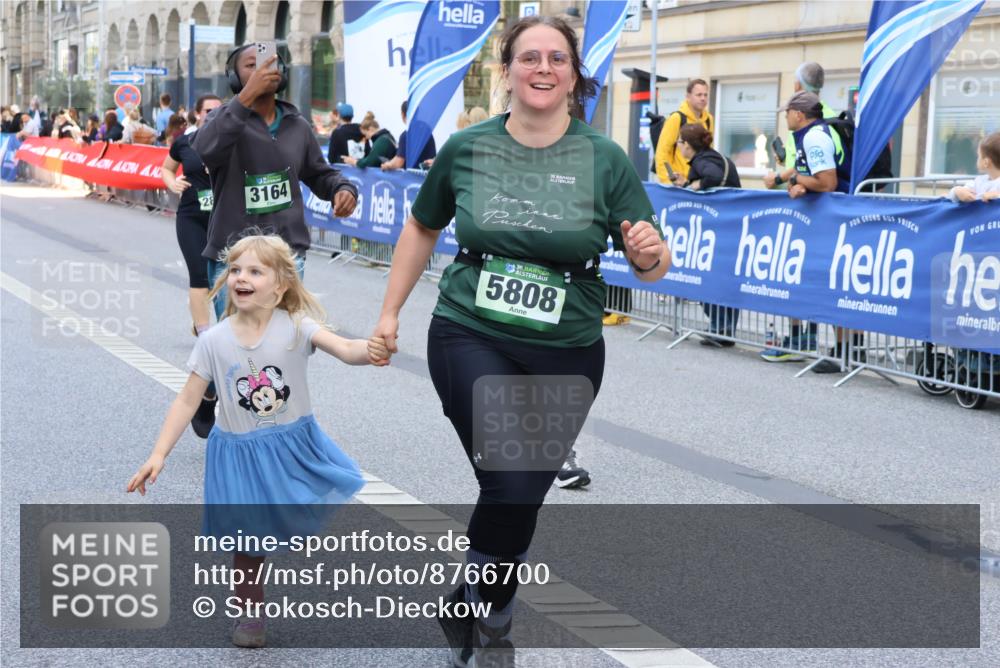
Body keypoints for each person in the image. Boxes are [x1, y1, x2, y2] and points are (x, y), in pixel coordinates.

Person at [371, 15, 669, 666]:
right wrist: (390, 313)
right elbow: (422, 228)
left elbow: (651, 260)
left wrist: (650, 253)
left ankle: (478, 606)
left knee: (522, 487)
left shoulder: (604, 158)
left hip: (568, 344)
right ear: (506, 70)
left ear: (574, 76)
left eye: (556, 59)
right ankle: (495, 617)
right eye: (528, 57)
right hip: (469, 329)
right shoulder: (467, 147)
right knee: (509, 477)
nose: (542, 68)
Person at [126, 234, 388, 648]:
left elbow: (345, 348)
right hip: (239, 455)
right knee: (247, 542)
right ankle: (250, 613)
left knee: (284, 520)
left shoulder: (296, 326)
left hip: (291, 447)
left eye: (254, 271)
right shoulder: (213, 339)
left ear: (281, 284)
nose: (240, 278)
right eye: (235, 270)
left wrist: (370, 351)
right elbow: (188, 397)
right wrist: (159, 454)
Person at [760, 91, 846, 363]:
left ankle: (844, 351)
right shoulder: (808, 136)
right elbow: (809, 173)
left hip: (830, 220)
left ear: (799, 114)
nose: (785, 116)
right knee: (802, 279)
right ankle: (803, 341)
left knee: (831, 284)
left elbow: (828, 182)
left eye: (787, 111)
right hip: (819, 219)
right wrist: (793, 182)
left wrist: (798, 179)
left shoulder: (814, 136)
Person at [161, 94, 223, 354]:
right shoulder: (184, 142)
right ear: (197, 113)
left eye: (219, 110)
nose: (212, 114)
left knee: (222, 277)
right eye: (208, 110)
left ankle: (225, 330)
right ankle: (204, 333)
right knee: (199, 274)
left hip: (223, 217)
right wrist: (172, 182)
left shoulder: (232, 140)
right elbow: (167, 168)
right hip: (191, 216)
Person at [674, 124, 742, 346]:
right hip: (730, 227)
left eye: (680, 143)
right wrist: (688, 183)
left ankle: (720, 328)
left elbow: (711, 177)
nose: (678, 147)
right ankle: (723, 329)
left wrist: (694, 186)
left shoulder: (704, 161)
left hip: (717, 230)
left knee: (708, 277)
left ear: (688, 146)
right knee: (724, 280)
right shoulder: (715, 156)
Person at [654, 78, 714, 186]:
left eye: (705, 95)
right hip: (677, 185)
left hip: (697, 185)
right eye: (699, 95)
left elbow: (708, 152)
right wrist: (668, 183)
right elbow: (661, 154)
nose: (703, 98)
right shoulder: (676, 118)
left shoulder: (709, 120)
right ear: (688, 96)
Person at [380, 100, 437, 171]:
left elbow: (398, 162)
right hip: (428, 175)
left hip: (413, 178)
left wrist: (387, 165)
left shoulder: (406, 135)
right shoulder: (427, 129)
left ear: (403, 115)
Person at [948, 131, 1000, 203]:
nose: (977, 158)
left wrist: (997, 196)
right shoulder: (978, 181)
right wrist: (957, 191)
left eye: (978, 156)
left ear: (986, 162)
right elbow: (951, 196)